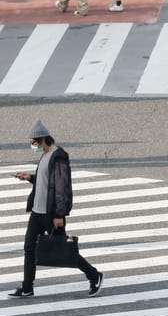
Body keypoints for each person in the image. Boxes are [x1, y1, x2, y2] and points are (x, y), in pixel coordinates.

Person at [8, 120, 104, 298]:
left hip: (51, 213)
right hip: (37, 212)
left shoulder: (58, 156)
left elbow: (61, 187)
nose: (32, 146)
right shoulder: (44, 155)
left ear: (43, 139)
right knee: (29, 248)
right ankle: (27, 287)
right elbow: (46, 182)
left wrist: (59, 214)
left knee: (63, 250)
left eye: (33, 143)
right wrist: (29, 177)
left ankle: (94, 275)